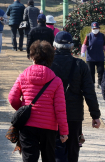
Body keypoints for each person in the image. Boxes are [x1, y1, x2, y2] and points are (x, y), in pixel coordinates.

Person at [9, 40, 68, 162]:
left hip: (28, 125)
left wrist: (23, 109)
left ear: (32, 57)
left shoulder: (23, 76)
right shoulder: (56, 81)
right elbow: (60, 108)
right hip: (49, 127)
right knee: (49, 158)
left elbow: (12, 98)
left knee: (29, 158)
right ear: (50, 58)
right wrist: (64, 131)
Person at [51, 31, 101, 162]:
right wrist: (95, 115)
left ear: (54, 46)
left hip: (52, 114)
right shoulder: (80, 65)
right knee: (73, 149)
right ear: (71, 47)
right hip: (74, 115)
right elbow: (89, 92)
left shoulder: (48, 65)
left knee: (55, 149)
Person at [81, 22, 105, 87]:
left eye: (96, 28)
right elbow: (84, 45)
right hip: (90, 58)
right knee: (91, 72)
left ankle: (100, 83)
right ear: (91, 29)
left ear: (99, 28)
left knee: (100, 71)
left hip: (100, 57)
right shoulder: (88, 36)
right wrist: (83, 52)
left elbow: (104, 46)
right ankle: (92, 83)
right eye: (94, 28)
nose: (95, 29)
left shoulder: (102, 36)